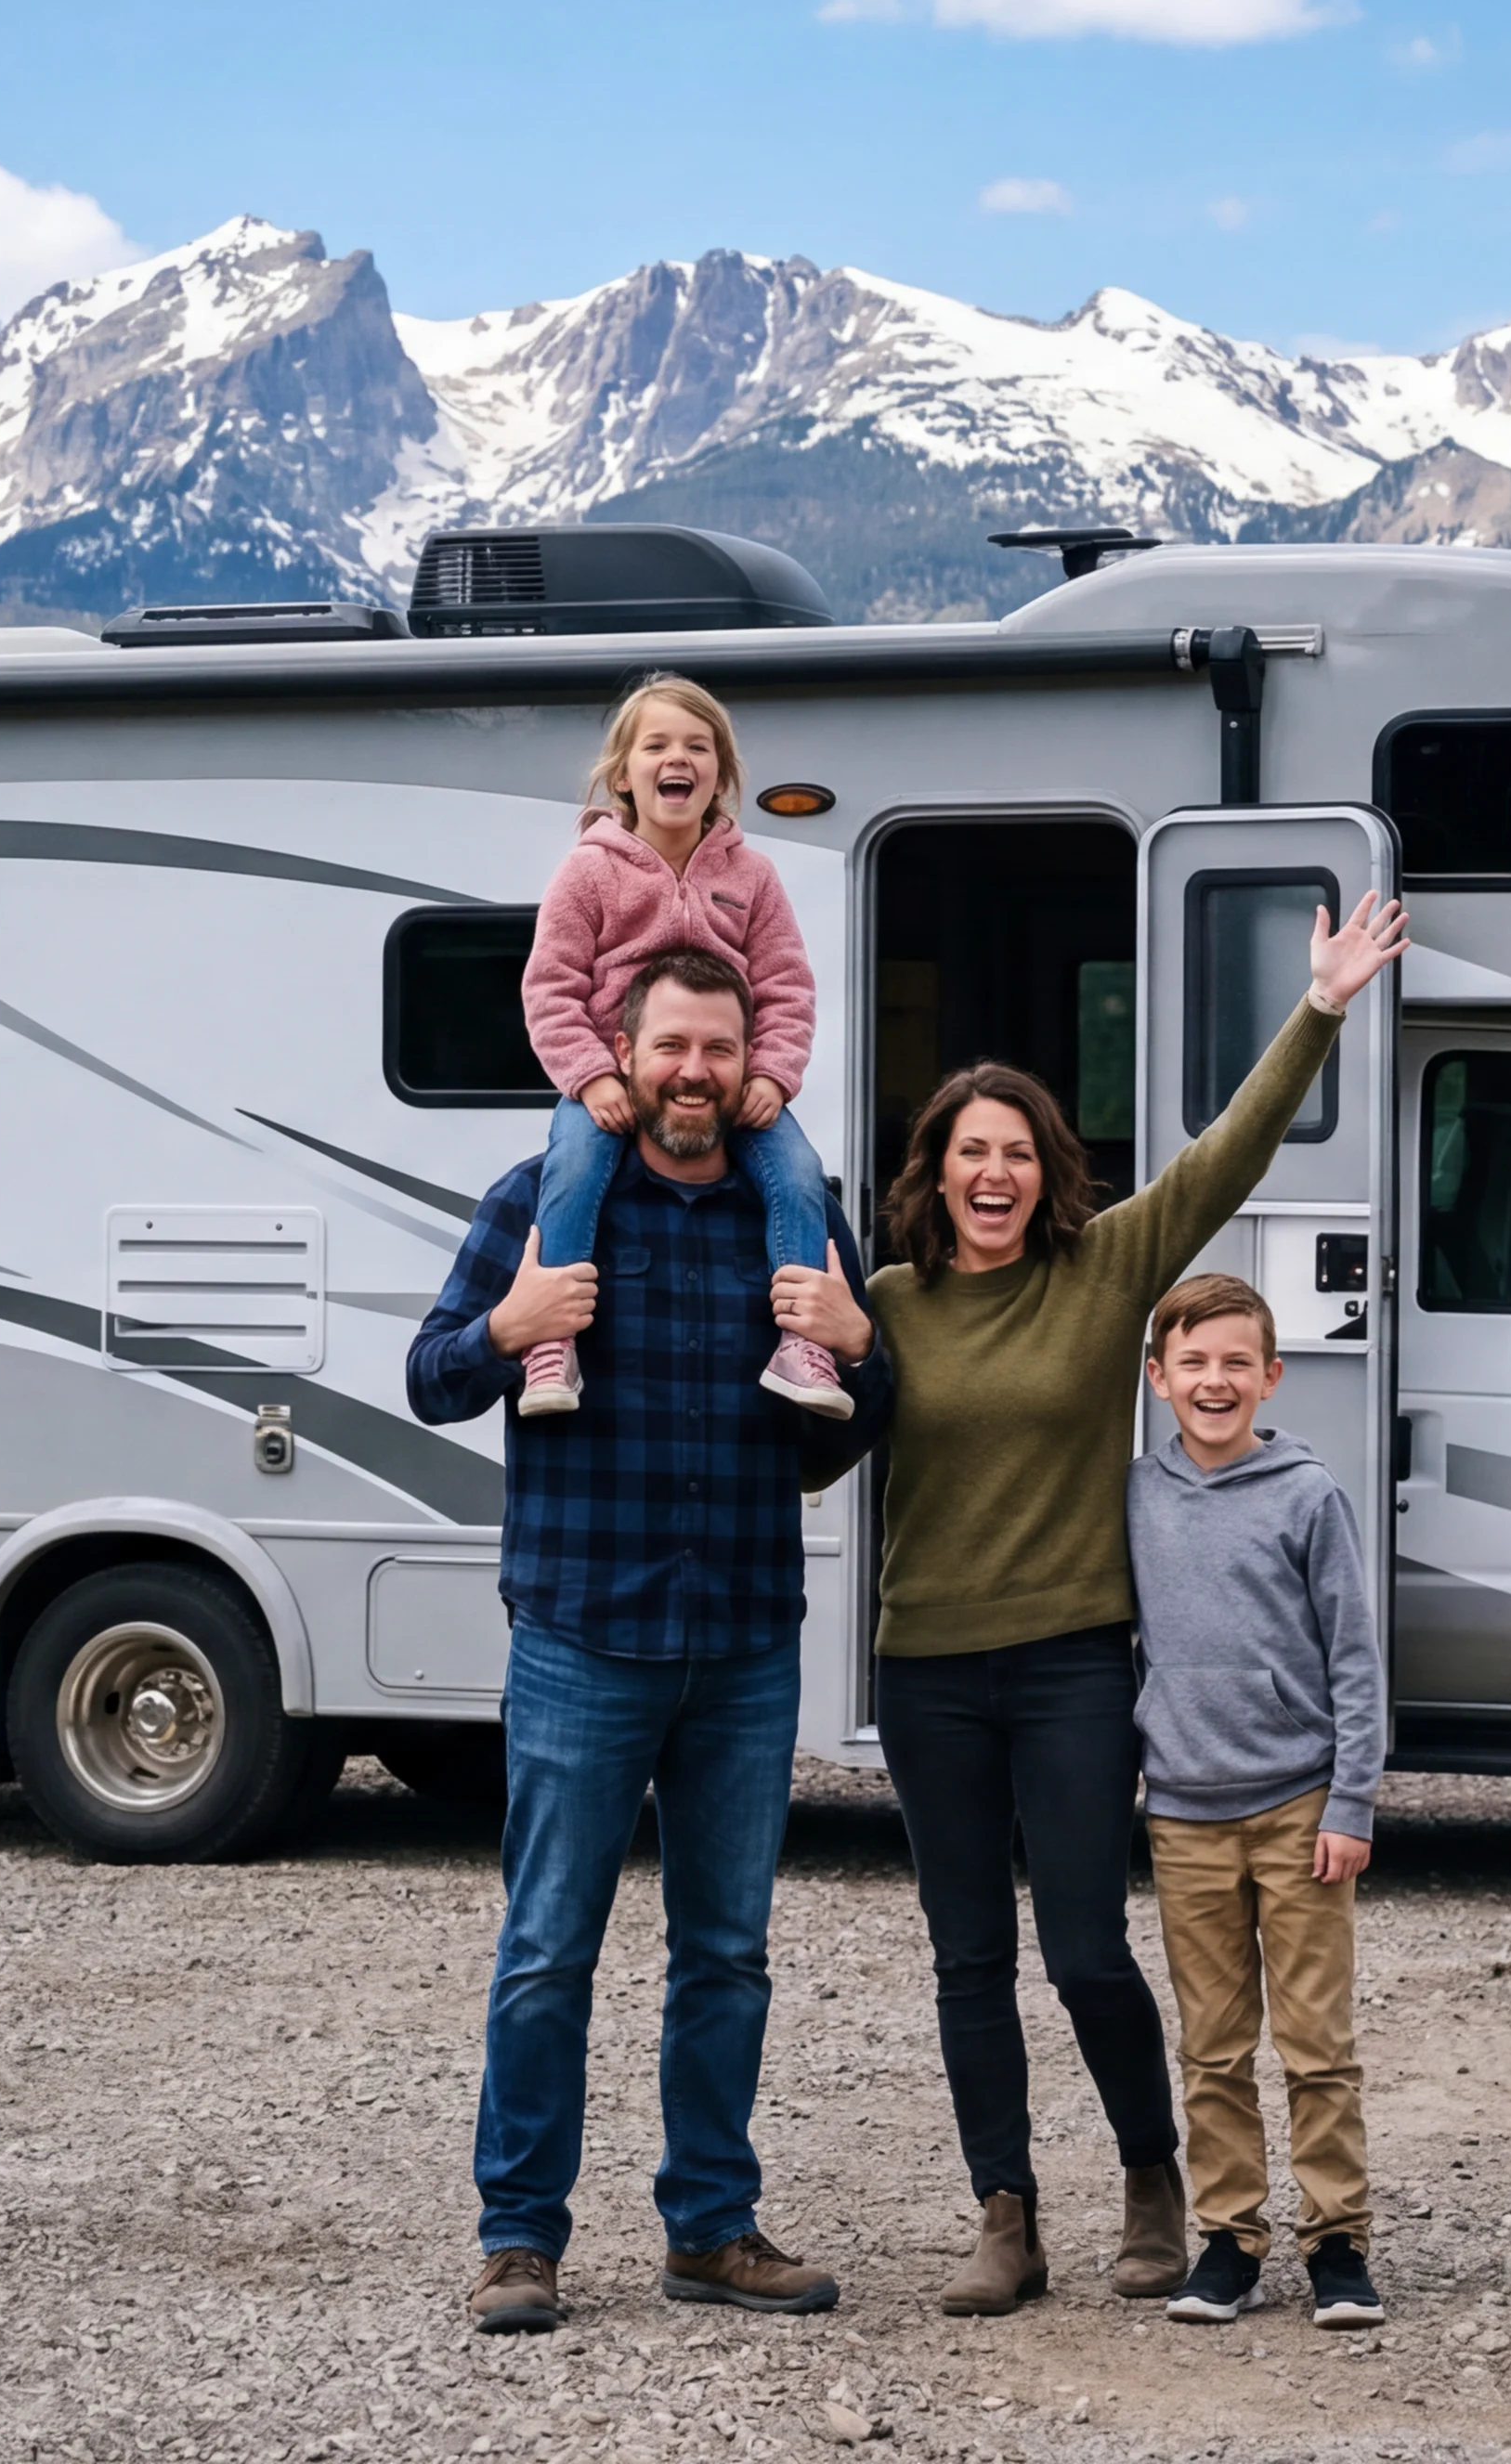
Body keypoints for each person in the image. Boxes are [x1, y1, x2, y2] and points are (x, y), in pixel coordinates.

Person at [859, 889, 1409, 2316]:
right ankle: (1005, 2213)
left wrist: (1323, 1007)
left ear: (1051, 1170)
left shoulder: (1103, 1278)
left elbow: (1227, 1160)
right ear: (939, 1168)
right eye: (972, 1152)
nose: (997, 1173)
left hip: (1070, 1667)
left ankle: (1159, 2179)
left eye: (1020, 1152)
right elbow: (814, 1435)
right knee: (969, 1954)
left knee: (1089, 1949)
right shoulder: (891, 1301)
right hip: (927, 1669)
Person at [408, 944, 893, 2338]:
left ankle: (710, 2228)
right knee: (550, 1945)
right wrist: (513, 1324)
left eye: (718, 1050)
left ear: (752, 1067)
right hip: (580, 1633)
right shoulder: (544, 1202)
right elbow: (431, 1374)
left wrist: (859, 1347)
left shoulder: (794, 1216)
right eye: (670, 1046)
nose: (695, 1072)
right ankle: (518, 2240)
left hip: (743, 1638)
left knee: (726, 1953)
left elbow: (852, 1432)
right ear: (622, 1055)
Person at [1127, 1273, 1387, 2331]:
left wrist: (1350, 1805)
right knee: (1211, 2046)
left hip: (1297, 1807)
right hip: (1182, 1813)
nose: (1214, 1380)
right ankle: (1229, 2241)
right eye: (1191, 1362)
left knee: (1316, 2044)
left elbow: (1355, 1661)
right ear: (1156, 1379)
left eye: (1236, 1362)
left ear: (1271, 1376)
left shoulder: (1308, 1497)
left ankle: (1338, 2245)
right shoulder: (1136, 1496)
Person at [514, 677, 842, 1420]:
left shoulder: (751, 875)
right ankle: (551, 1343)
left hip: (728, 1085)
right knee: (571, 1169)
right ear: (622, 773)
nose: (678, 758)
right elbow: (550, 988)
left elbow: (788, 985)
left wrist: (775, 1074)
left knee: (798, 1172)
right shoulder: (589, 871)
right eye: (656, 745)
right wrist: (590, 1076)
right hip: (611, 1079)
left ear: (721, 776)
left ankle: (802, 1343)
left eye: (698, 747)